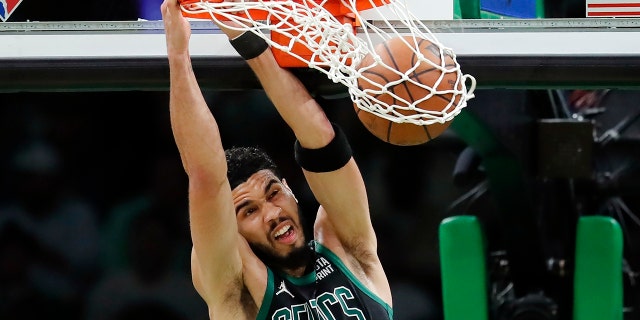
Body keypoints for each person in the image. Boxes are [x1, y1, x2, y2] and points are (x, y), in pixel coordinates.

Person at [160, 0, 393, 319]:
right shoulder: (239, 296)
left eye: (273, 193)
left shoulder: (351, 251)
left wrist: (247, 41)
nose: (272, 213)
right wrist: (178, 55)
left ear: (289, 189)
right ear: (233, 231)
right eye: (249, 211)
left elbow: (321, 142)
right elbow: (205, 177)